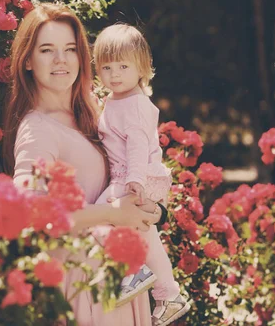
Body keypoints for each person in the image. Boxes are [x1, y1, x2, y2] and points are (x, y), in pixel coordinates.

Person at [2, 2, 160, 326]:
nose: (61, 60)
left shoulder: (90, 115)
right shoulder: (37, 129)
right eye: (47, 50)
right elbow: (33, 213)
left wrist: (153, 211)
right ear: (28, 61)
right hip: (81, 285)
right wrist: (114, 214)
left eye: (70, 49)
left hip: (114, 279)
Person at [92, 24, 190, 326]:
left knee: (96, 219)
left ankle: (133, 273)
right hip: (137, 176)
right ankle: (168, 294)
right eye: (107, 67)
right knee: (146, 234)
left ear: (142, 67)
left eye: (123, 66)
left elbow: (136, 144)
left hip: (133, 177)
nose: (115, 74)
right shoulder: (118, 98)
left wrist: (134, 180)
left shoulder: (133, 105)